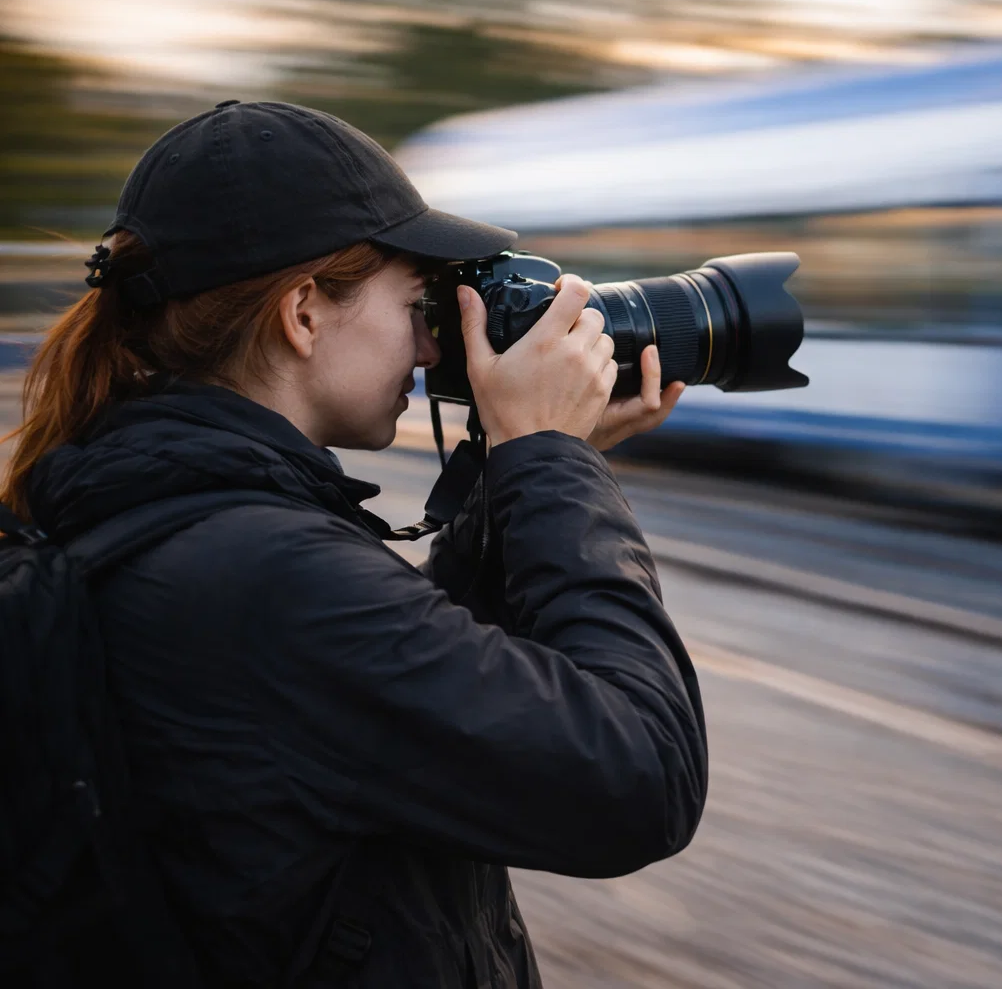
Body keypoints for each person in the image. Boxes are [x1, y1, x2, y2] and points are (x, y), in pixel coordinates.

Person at [0, 101, 706, 987]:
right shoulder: (255, 571)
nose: (426, 344)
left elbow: (404, 671)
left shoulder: (168, 508)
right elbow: (639, 778)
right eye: (415, 305)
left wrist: (527, 475)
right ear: (302, 312)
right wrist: (552, 464)